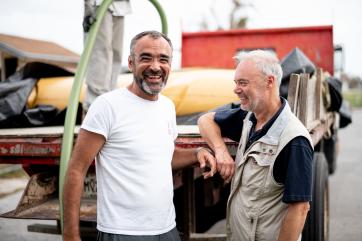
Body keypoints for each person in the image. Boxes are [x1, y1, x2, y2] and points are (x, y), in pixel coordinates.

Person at [63, 31, 217, 241]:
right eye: (146, 58)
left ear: (170, 65)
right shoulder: (107, 106)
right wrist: (71, 236)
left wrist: (198, 152)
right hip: (122, 232)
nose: (155, 66)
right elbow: (76, 170)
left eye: (163, 59)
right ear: (131, 63)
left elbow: (164, 158)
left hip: (167, 229)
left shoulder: (167, 106)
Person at [198, 50, 314, 241]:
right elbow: (205, 120)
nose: (236, 89)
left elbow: (300, 208)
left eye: (243, 83)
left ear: (269, 82)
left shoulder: (294, 140)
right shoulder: (249, 118)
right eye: (236, 83)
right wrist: (221, 151)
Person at [82, 0, 132, 113]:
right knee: (100, 53)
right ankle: (95, 103)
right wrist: (88, 10)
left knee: (116, 54)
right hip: (99, 4)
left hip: (120, 7)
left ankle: (110, 99)